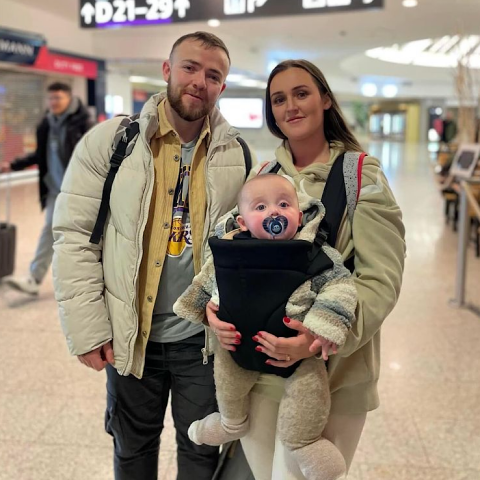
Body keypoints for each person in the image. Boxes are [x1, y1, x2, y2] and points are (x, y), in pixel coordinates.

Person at [52, 32, 254, 480]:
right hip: (130, 336)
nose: (199, 81)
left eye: (213, 75)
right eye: (190, 67)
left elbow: (243, 247)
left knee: (201, 452)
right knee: (132, 450)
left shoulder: (236, 154)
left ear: (222, 86)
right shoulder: (113, 142)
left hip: (201, 342)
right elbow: (75, 236)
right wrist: (87, 329)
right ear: (167, 70)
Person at [206, 59, 406, 480]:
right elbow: (233, 255)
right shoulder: (263, 175)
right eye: (279, 99)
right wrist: (214, 310)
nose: (290, 106)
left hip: (332, 375)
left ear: (325, 100)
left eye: (301, 93)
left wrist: (317, 338)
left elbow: (380, 279)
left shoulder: (359, 175)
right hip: (258, 368)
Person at [174, 174, 357, 480]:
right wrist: (203, 309)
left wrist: (323, 327)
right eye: (260, 207)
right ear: (242, 222)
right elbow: (208, 278)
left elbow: (340, 286)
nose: (274, 212)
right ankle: (231, 422)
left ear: (299, 216)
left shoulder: (313, 253)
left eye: (284, 205)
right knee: (227, 378)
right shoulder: (231, 250)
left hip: (299, 353)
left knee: (310, 390)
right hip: (237, 345)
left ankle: (303, 442)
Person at [2, 82, 93, 295]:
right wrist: (13, 165)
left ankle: (92, 280)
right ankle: (34, 279)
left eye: (58, 98)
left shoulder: (83, 123)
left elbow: (94, 155)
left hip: (80, 189)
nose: (53, 102)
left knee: (85, 234)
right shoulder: (46, 123)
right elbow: (39, 155)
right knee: (50, 229)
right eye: (51, 98)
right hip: (54, 189)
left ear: (69, 98)